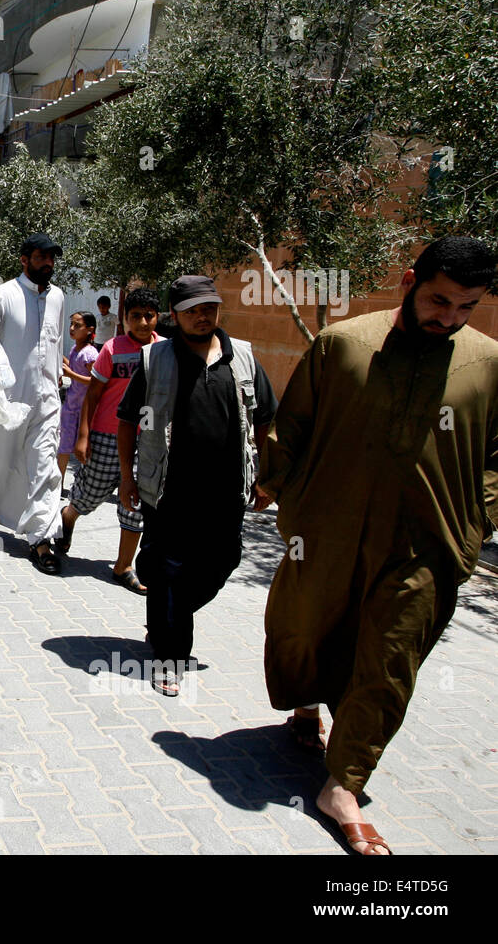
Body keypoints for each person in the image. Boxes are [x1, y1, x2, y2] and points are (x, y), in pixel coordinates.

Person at [259, 237, 498, 856]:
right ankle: (307, 708)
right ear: (409, 280)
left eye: (465, 307)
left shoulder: (487, 363)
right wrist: (274, 485)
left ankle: (343, 785)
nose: (448, 318)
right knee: (306, 628)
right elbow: (294, 424)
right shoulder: (344, 345)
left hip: (428, 543)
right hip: (328, 529)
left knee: (391, 661)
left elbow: (497, 458)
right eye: (438, 300)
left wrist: (478, 521)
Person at [115, 275, 277, 696]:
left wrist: (265, 475)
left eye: (209, 308)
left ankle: (167, 615)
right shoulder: (156, 359)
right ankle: (171, 654)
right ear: (176, 316)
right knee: (170, 570)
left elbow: (262, 420)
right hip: (168, 489)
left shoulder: (242, 357)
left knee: (223, 562)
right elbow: (128, 419)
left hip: (226, 490)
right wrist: (127, 478)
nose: (203, 317)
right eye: (192, 311)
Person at [0, 233, 68, 574]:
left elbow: (58, 345)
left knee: (45, 469)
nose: (48, 263)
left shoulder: (59, 298)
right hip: (6, 400)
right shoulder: (3, 296)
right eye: (41, 256)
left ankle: (41, 539)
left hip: (47, 399)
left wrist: (58, 385)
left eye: (52, 257)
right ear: (25, 259)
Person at [57, 287, 162, 593]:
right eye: (135, 316)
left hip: (148, 440)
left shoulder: (165, 351)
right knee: (91, 494)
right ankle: (69, 514)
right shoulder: (113, 349)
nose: (142, 322)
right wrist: (84, 436)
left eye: (148, 316)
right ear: (125, 319)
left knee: (136, 504)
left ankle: (123, 567)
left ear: (157, 317)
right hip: (107, 435)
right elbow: (94, 392)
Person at [57, 310, 99, 478]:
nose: (72, 328)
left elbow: (95, 381)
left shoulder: (90, 354)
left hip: (83, 410)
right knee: (63, 446)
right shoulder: (76, 348)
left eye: (77, 325)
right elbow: (74, 366)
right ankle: (57, 485)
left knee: (79, 448)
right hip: (71, 406)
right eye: (71, 324)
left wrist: (70, 375)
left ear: (89, 330)